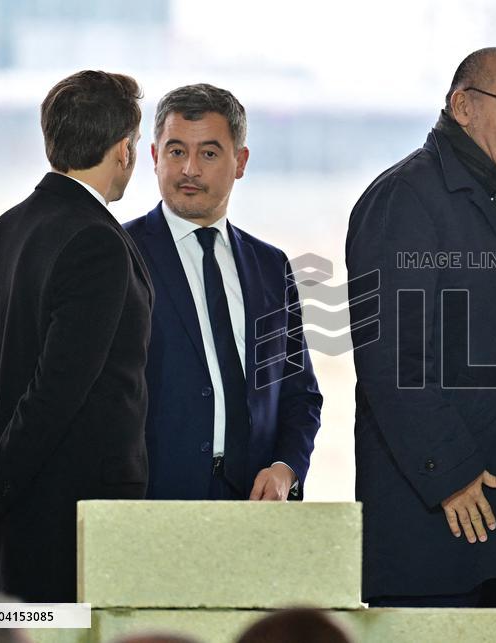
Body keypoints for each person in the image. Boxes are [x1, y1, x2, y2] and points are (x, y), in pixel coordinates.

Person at [346, 47, 496, 607]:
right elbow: (393, 359)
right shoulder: (404, 198)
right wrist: (450, 473)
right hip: (439, 536)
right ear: (462, 106)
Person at [0, 70, 151, 602]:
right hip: (76, 525)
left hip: (11, 520)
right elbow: (56, 392)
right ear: (123, 149)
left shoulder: (1, 233)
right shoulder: (98, 242)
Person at [124, 84, 322, 501]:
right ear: (155, 156)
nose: (190, 169)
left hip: (253, 506)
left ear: (240, 162)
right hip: (148, 505)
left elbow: (299, 394)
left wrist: (286, 469)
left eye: (209, 154)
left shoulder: (270, 267)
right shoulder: (119, 255)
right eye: (177, 151)